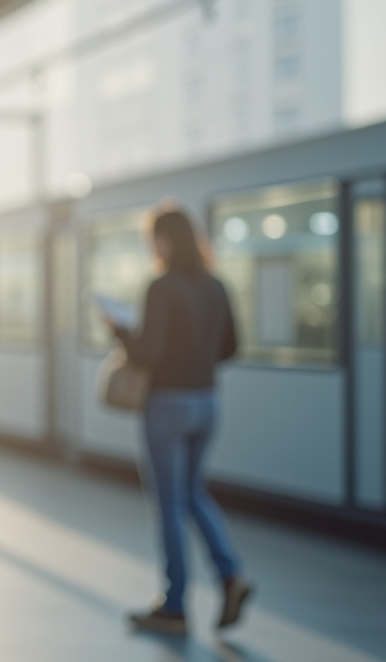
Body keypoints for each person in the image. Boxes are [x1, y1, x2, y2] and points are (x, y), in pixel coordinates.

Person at [104, 207, 253, 636]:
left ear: (165, 241)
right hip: (207, 403)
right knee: (192, 493)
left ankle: (174, 606)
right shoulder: (216, 286)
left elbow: (147, 354)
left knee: (169, 502)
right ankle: (230, 575)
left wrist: (119, 330)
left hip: (167, 405)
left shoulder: (161, 287)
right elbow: (231, 348)